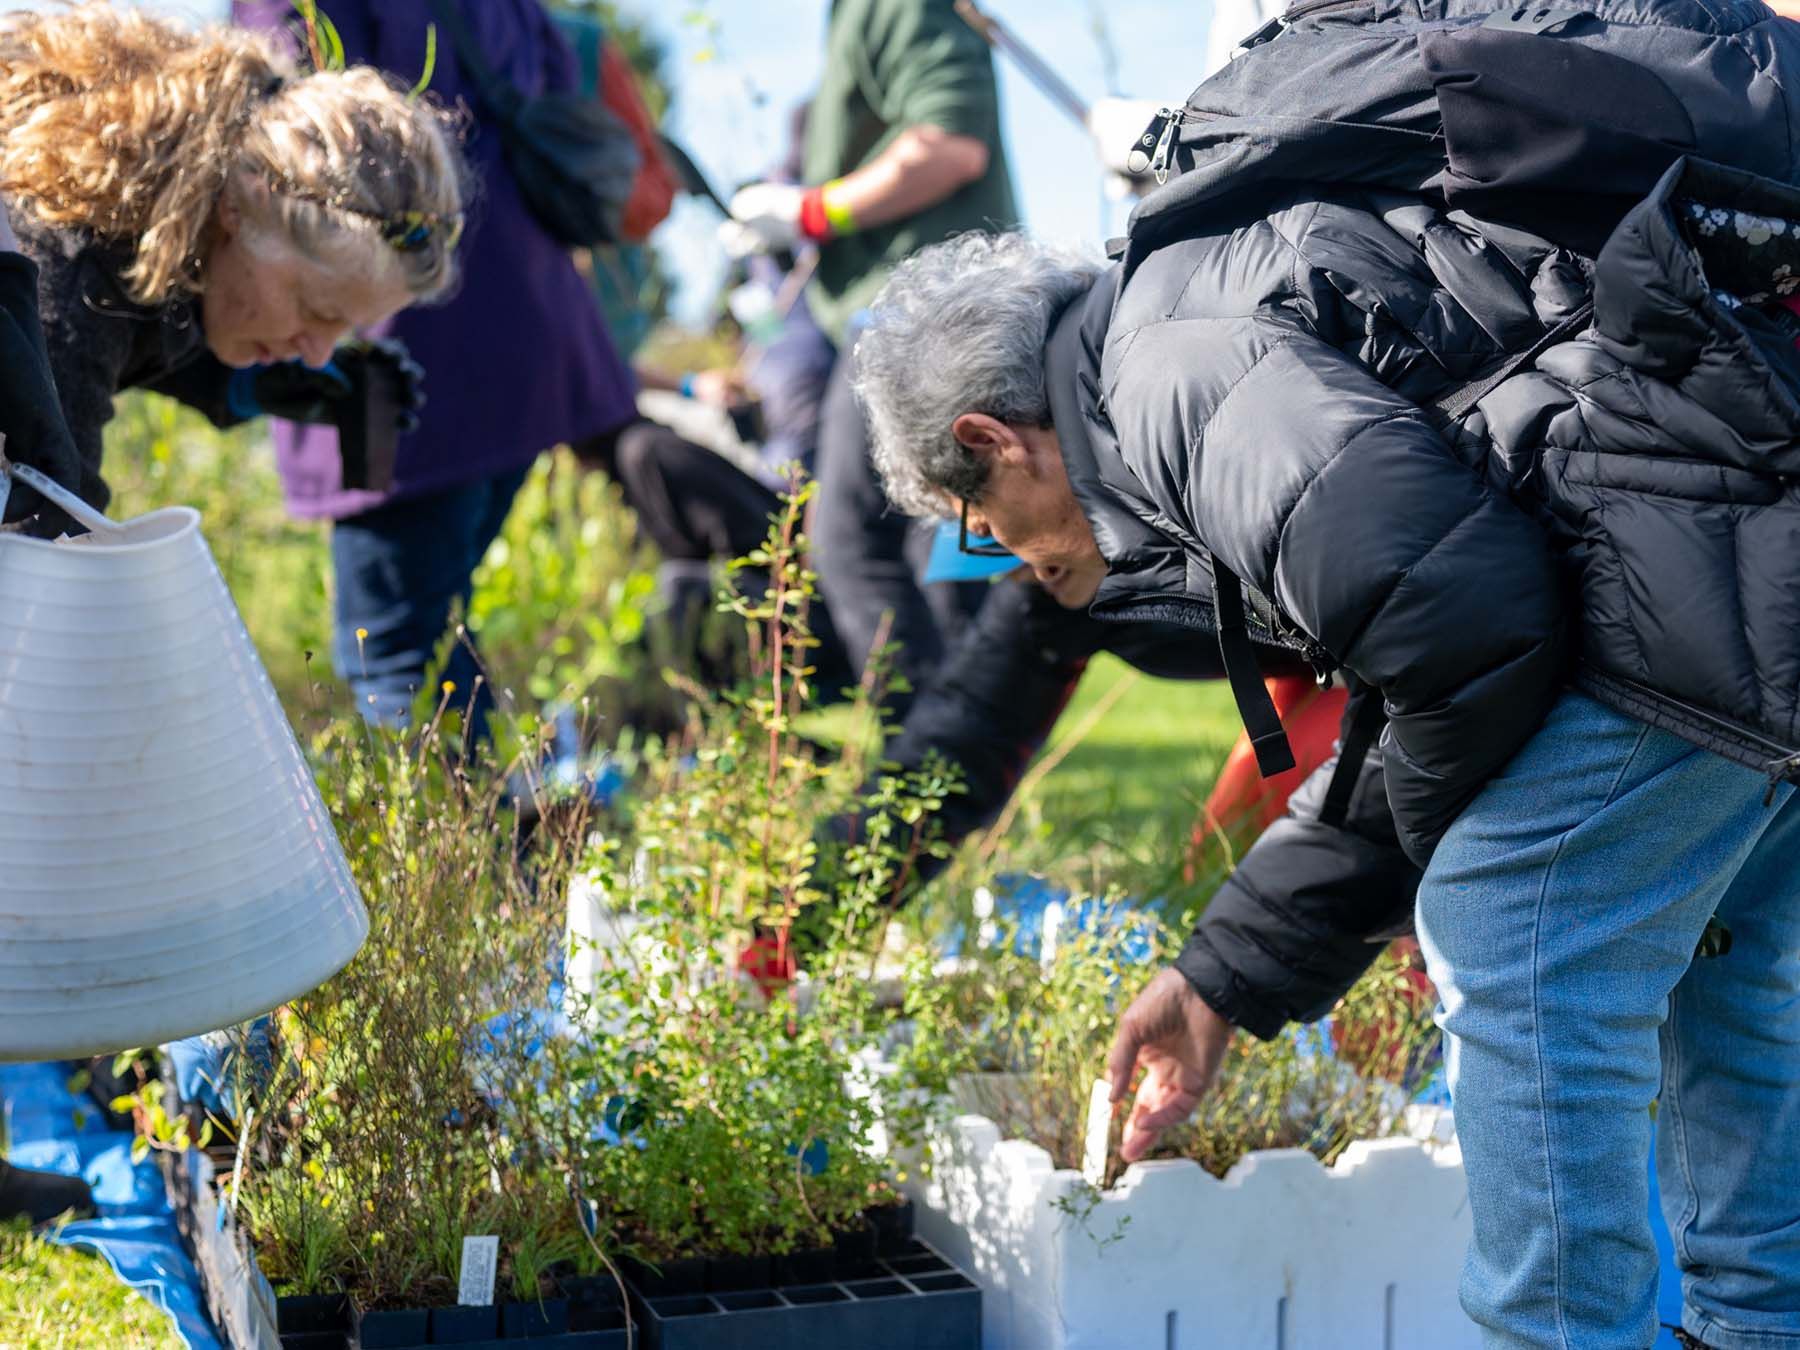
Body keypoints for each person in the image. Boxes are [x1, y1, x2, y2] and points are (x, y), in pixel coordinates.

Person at [849, 1, 1800, 1340]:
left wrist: (1297, 925)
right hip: (1739, 546)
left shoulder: (1170, 371)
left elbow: (1466, 625)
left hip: (1693, 580)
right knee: (1724, 966)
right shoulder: (1176, 326)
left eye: (982, 525)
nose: (1011, 558)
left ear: (992, 439)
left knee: (1510, 916)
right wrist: (1221, 978)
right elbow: (1436, 634)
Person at [232, 0, 641, 738]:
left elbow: (287, 127)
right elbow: (559, 80)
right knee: (436, 628)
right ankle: (484, 803)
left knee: (392, 655)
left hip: (407, 346)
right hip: (533, 334)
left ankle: (451, 813)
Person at [0, 2, 460, 542]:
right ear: (241, 205)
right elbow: (49, 543)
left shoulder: (179, 200)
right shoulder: (68, 265)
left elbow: (145, 319)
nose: (318, 353)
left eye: (345, 329)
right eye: (316, 310)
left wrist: (235, 384)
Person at [720, 0, 1019, 719]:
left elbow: (950, 144)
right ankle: (966, 744)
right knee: (940, 536)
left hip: (915, 309)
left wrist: (811, 211)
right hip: (930, 304)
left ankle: (932, 756)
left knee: (856, 538)